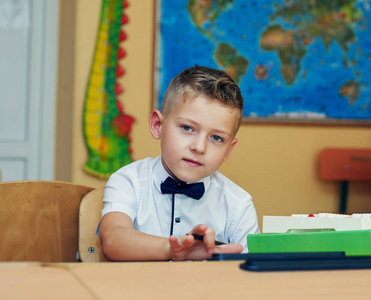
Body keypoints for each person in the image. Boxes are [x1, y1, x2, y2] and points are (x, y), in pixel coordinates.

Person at [98, 65, 260, 261]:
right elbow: (113, 240)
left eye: (217, 138)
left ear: (228, 150)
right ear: (158, 125)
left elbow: (249, 274)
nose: (199, 147)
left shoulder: (239, 205)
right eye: (187, 128)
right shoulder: (128, 181)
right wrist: (172, 249)